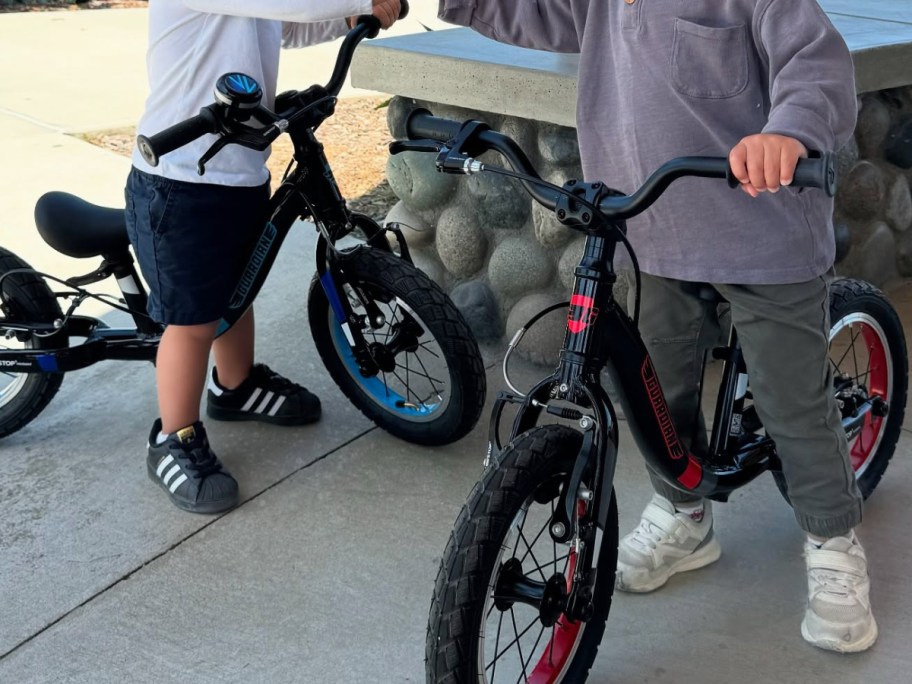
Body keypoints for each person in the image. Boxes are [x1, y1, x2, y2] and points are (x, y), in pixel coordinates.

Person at [439, 0, 874, 653]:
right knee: (655, 391)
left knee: (793, 406)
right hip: (656, 234)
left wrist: (789, 130)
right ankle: (683, 513)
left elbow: (814, 63)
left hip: (763, 237)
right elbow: (541, 14)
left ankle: (833, 539)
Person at [126, 0, 401, 515]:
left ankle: (236, 386)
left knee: (237, 291)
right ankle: (172, 436)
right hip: (180, 180)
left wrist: (342, 20)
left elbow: (282, 25)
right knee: (193, 322)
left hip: (238, 172)